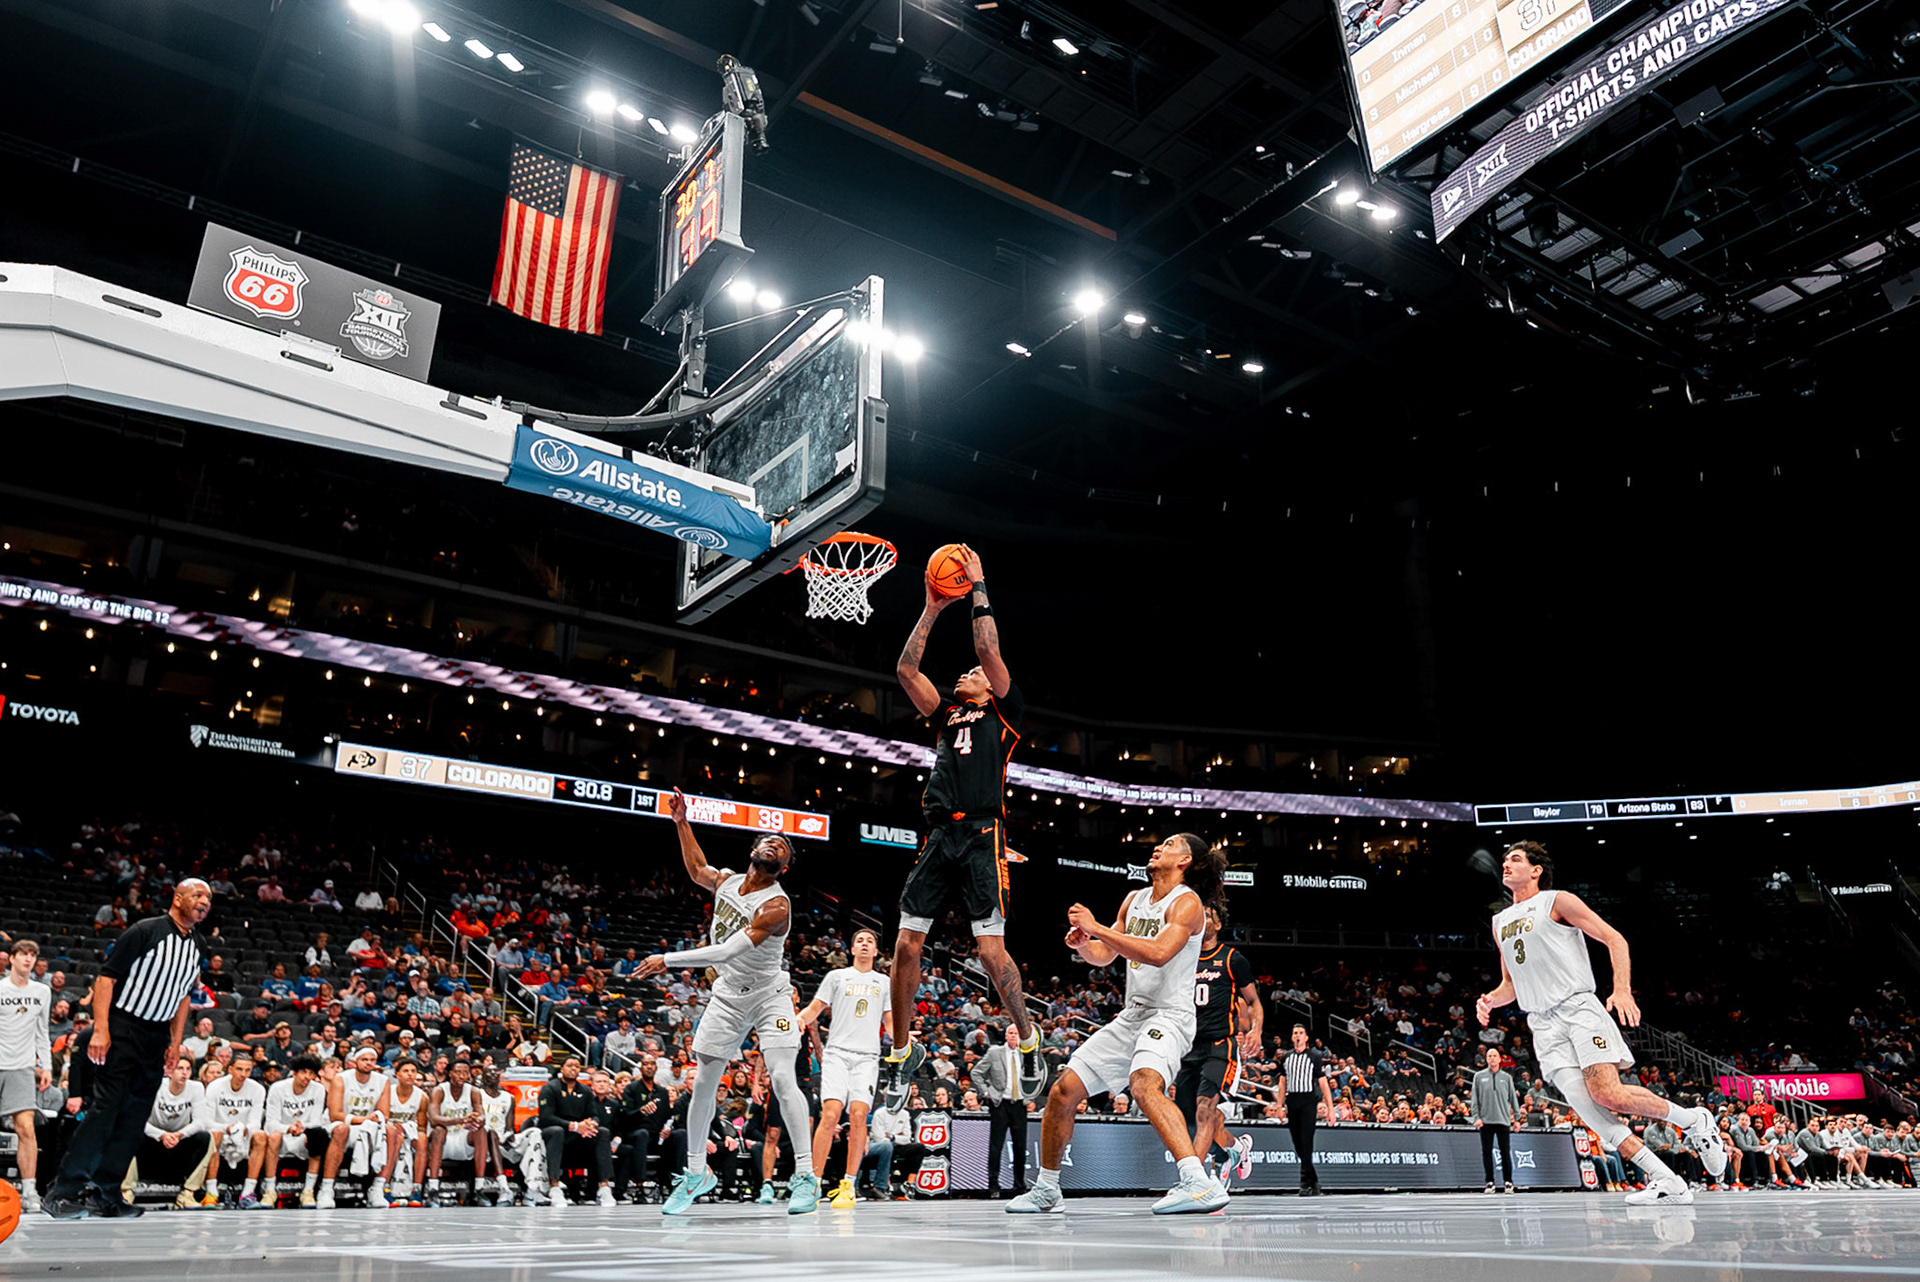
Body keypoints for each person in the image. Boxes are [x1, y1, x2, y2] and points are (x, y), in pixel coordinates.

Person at [1476, 842, 1725, 1206]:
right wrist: (1489, 1000)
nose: (1506, 865)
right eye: (1504, 861)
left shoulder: (1557, 901)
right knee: (1585, 1106)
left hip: (1577, 1008)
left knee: (1608, 1094)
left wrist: (1622, 990)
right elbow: (1510, 985)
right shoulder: (1500, 921)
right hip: (1542, 1024)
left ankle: (1694, 1121)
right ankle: (1665, 1179)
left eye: (1515, 859)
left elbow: (1614, 939)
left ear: (1536, 870)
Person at [886, 548, 1045, 1105]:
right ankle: (901, 1053)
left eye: (973, 674)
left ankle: (1029, 1039)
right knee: (906, 945)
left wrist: (977, 585)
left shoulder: (1004, 709)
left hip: (982, 834)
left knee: (991, 955)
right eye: (967, 672)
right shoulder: (945, 713)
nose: (966, 672)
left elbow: (986, 649)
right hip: (940, 834)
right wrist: (931, 608)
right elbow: (906, 671)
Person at [1009, 834, 1227, 1215]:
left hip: (1170, 1015)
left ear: (1185, 861)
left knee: (1144, 1083)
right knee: (1063, 1091)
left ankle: (1198, 1182)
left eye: (1170, 844)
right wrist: (1083, 944)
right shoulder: (1134, 899)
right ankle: (1047, 1189)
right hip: (1133, 1014)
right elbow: (1105, 954)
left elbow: (1158, 953)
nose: (1158, 846)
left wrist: (1096, 926)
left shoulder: (1188, 903)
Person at [636, 788, 813, 1216]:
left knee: (782, 1077)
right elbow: (698, 868)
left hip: (770, 997)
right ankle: (697, 1173)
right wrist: (681, 822)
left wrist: (668, 960)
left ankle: (806, 1175)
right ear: (753, 850)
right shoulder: (729, 881)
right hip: (728, 996)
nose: (774, 845)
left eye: (782, 847)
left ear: (784, 867)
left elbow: (730, 950)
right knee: (702, 1083)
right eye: (769, 841)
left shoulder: (776, 906)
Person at [44, 879, 213, 1220]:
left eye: (209, 898)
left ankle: (106, 1192)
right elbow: (106, 979)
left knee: (135, 1118)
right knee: (105, 1110)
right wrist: (101, 1029)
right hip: (123, 1026)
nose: (205, 902)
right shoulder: (145, 931)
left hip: (156, 1036)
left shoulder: (199, 945)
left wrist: (175, 1043)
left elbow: (183, 996)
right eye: (198, 895)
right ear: (177, 898)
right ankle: (63, 1190)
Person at [797, 928, 890, 1210]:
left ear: (876, 951)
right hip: (837, 1053)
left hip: (867, 1057)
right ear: (851, 950)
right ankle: (812, 1183)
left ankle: (848, 1184)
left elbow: (889, 1020)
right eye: (859, 941)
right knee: (830, 1114)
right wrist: (798, 1019)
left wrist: (903, 1039)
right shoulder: (837, 977)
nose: (864, 944)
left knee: (859, 1116)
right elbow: (815, 1007)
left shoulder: (884, 982)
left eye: (870, 941)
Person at [1174, 905, 1261, 1190]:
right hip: (1189, 1047)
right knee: (1188, 1122)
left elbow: (1254, 1002)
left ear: (1218, 925)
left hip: (1220, 1046)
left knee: (1204, 1111)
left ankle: (1193, 1183)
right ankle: (1231, 1151)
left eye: (1208, 916)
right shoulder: (1183, 958)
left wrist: (1256, 1030)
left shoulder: (1232, 959)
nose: (1201, 920)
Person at [1, 938, 53, 1215]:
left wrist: (46, 1066)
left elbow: (42, 1032)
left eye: (32, 954)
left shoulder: (42, 991)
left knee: (26, 1129)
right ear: (11, 958)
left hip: (22, 1067)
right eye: (23, 953)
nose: (28, 958)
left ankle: (29, 1191)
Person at [242, 1054, 329, 1209]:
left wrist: (303, 1127)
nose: (307, 1077)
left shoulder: (319, 1089)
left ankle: (308, 1191)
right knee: (274, 1136)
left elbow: (316, 1121)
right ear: (294, 1073)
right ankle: (270, 1191)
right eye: (304, 1072)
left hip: (303, 1136)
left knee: (318, 1134)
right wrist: (289, 1128)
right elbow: (270, 1124)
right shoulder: (278, 1088)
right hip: (282, 1136)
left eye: (311, 1073)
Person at [122, 1056, 211, 1210]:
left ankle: (188, 1194)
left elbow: (200, 1122)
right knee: (129, 1132)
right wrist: (161, 1135)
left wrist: (179, 1135)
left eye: (188, 1069)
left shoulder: (196, 1088)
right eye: (180, 1068)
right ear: (170, 1072)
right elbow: (138, 1119)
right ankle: (126, 1191)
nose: (184, 1073)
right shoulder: (155, 1085)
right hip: (152, 1140)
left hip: (179, 1140)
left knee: (205, 1138)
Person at [537, 1055, 615, 1207]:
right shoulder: (550, 1088)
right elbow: (546, 1117)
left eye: (577, 1066)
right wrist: (573, 1125)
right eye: (570, 1065)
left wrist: (591, 1124)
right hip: (554, 1135)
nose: (573, 1069)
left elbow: (594, 1115)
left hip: (578, 1136)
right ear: (562, 1069)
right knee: (557, 1131)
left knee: (603, 1132)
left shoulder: (585, 1090)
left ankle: (604, 1188)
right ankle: (554, 1187)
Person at [322, 1045, 390, 1207]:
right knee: (341, 1130)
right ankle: (326, 1190)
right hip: (341, 1123)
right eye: (364, 1059)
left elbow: (384, 1114)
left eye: (372, 1060)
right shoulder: (341, 1079)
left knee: (392, 1132)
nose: (368, 1063)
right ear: (355, 1061)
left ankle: (377, 1189)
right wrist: (364, 1119)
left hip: (367, 1126)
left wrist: (372, 1120)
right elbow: (334, 1115)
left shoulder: (383, 1081)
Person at [202, 1048, 265, 1207]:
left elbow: (255, 1123)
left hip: (244, 1136)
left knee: (261, 1136)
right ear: (230, 1069)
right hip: (221, 1134)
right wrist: (228, 1129)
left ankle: (248, 1193)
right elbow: (207, 1121)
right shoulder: (214, 1087)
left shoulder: (258, 1089)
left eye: (247, 1070)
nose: (243, 1074)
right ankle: (211, 1193)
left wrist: (243, 1130)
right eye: (239, 1069)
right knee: (214, 1134)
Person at [1279, 1024, 1336, 1196]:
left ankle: (1304, 1182)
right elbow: (1282, 1083)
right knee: (1297, 1143)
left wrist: (1330, 1108)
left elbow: (1323, 1083)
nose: (1298, 1036)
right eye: (1295, 1033)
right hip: (1292, 1100)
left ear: (1306, 1037)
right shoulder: (1286, 1057)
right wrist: (1279, 1106)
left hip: (1308, 1101)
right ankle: (1314, 1180)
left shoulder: (1314, 1056)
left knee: (1306, 1141)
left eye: (1301, 1033)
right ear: (1292, 1037)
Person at [976, 1022, 1028, 1197]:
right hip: (1000, 1104)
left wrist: (1030, 1097)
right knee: (996, 1146)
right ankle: (993, 1185)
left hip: (1019, 1104)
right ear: (1005, 1035)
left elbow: (1035, 1077)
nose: (1013, 1036)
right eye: (1010, 1033)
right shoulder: (994, 1052)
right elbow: (976, 1072)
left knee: (1020, 1147)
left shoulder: (1026, 1054)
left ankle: (1019, 1186)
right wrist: (986, 1092)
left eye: (1016, 1033)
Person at [425, 1058, 483, 1206]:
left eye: (465, 1073)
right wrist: (461, 1120)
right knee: (439, 1130)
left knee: (481, 1131)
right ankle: (433, 1187)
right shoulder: (439, 1091)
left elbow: (482, 1115)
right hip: (443, 1141)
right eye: (458, 1072)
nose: (462, 1076)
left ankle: (479, 1188)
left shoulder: (474, 1091)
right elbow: (434, 1119)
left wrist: (477, 1119)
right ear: (450, 1073)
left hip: (463, 1139)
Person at [377, 1057, 429, 1207]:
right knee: (395, 1137)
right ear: (397, 1074)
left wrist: (406, 1129)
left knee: (422, 1139)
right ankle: (384, 1186)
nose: (410, 1074)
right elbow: (381, 1117)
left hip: (408, 1132)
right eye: (406, 1071)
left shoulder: (422, 1097)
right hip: (387, 1132)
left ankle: (416, 1189)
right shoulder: (388, 1092)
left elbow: (421, 1126)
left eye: (413, 1071)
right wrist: (396, 1128)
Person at [1471, 1045, 1520, 1193]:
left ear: (1499, 1059)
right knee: (1486, 1152)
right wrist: (1476, 1117)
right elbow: (1475, 1099)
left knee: (1505, 1152)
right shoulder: (1478, 1077)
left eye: (1494, 1056)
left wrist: (1517, 1119)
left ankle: (1508, 1182)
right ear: (1486, 1059)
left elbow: (1513, 1098)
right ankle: (1489, 1182)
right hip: (1485, 1121)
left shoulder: (1506, 1078)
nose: (1492, 1058)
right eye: (1489, 1056)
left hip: (1503, 1120)